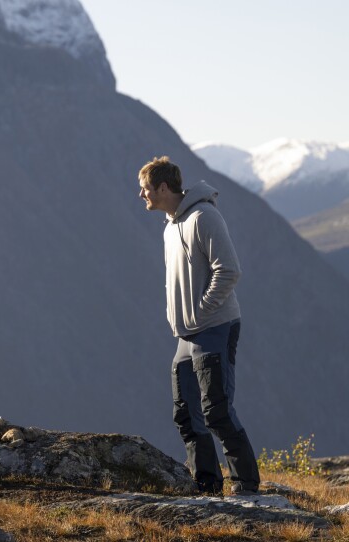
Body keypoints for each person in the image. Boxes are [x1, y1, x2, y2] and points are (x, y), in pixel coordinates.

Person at [138, 156, 260, 495]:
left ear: (163, 187)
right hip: (186, 335)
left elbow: (229, 270)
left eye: (145, 188)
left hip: (215, 327)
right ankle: (206, 485)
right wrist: (183, 320)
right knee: (186, 414)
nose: (141, 195)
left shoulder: (204, 217)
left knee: (217, 410)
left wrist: (201, 312)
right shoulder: (169, 226)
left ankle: (246, 485)